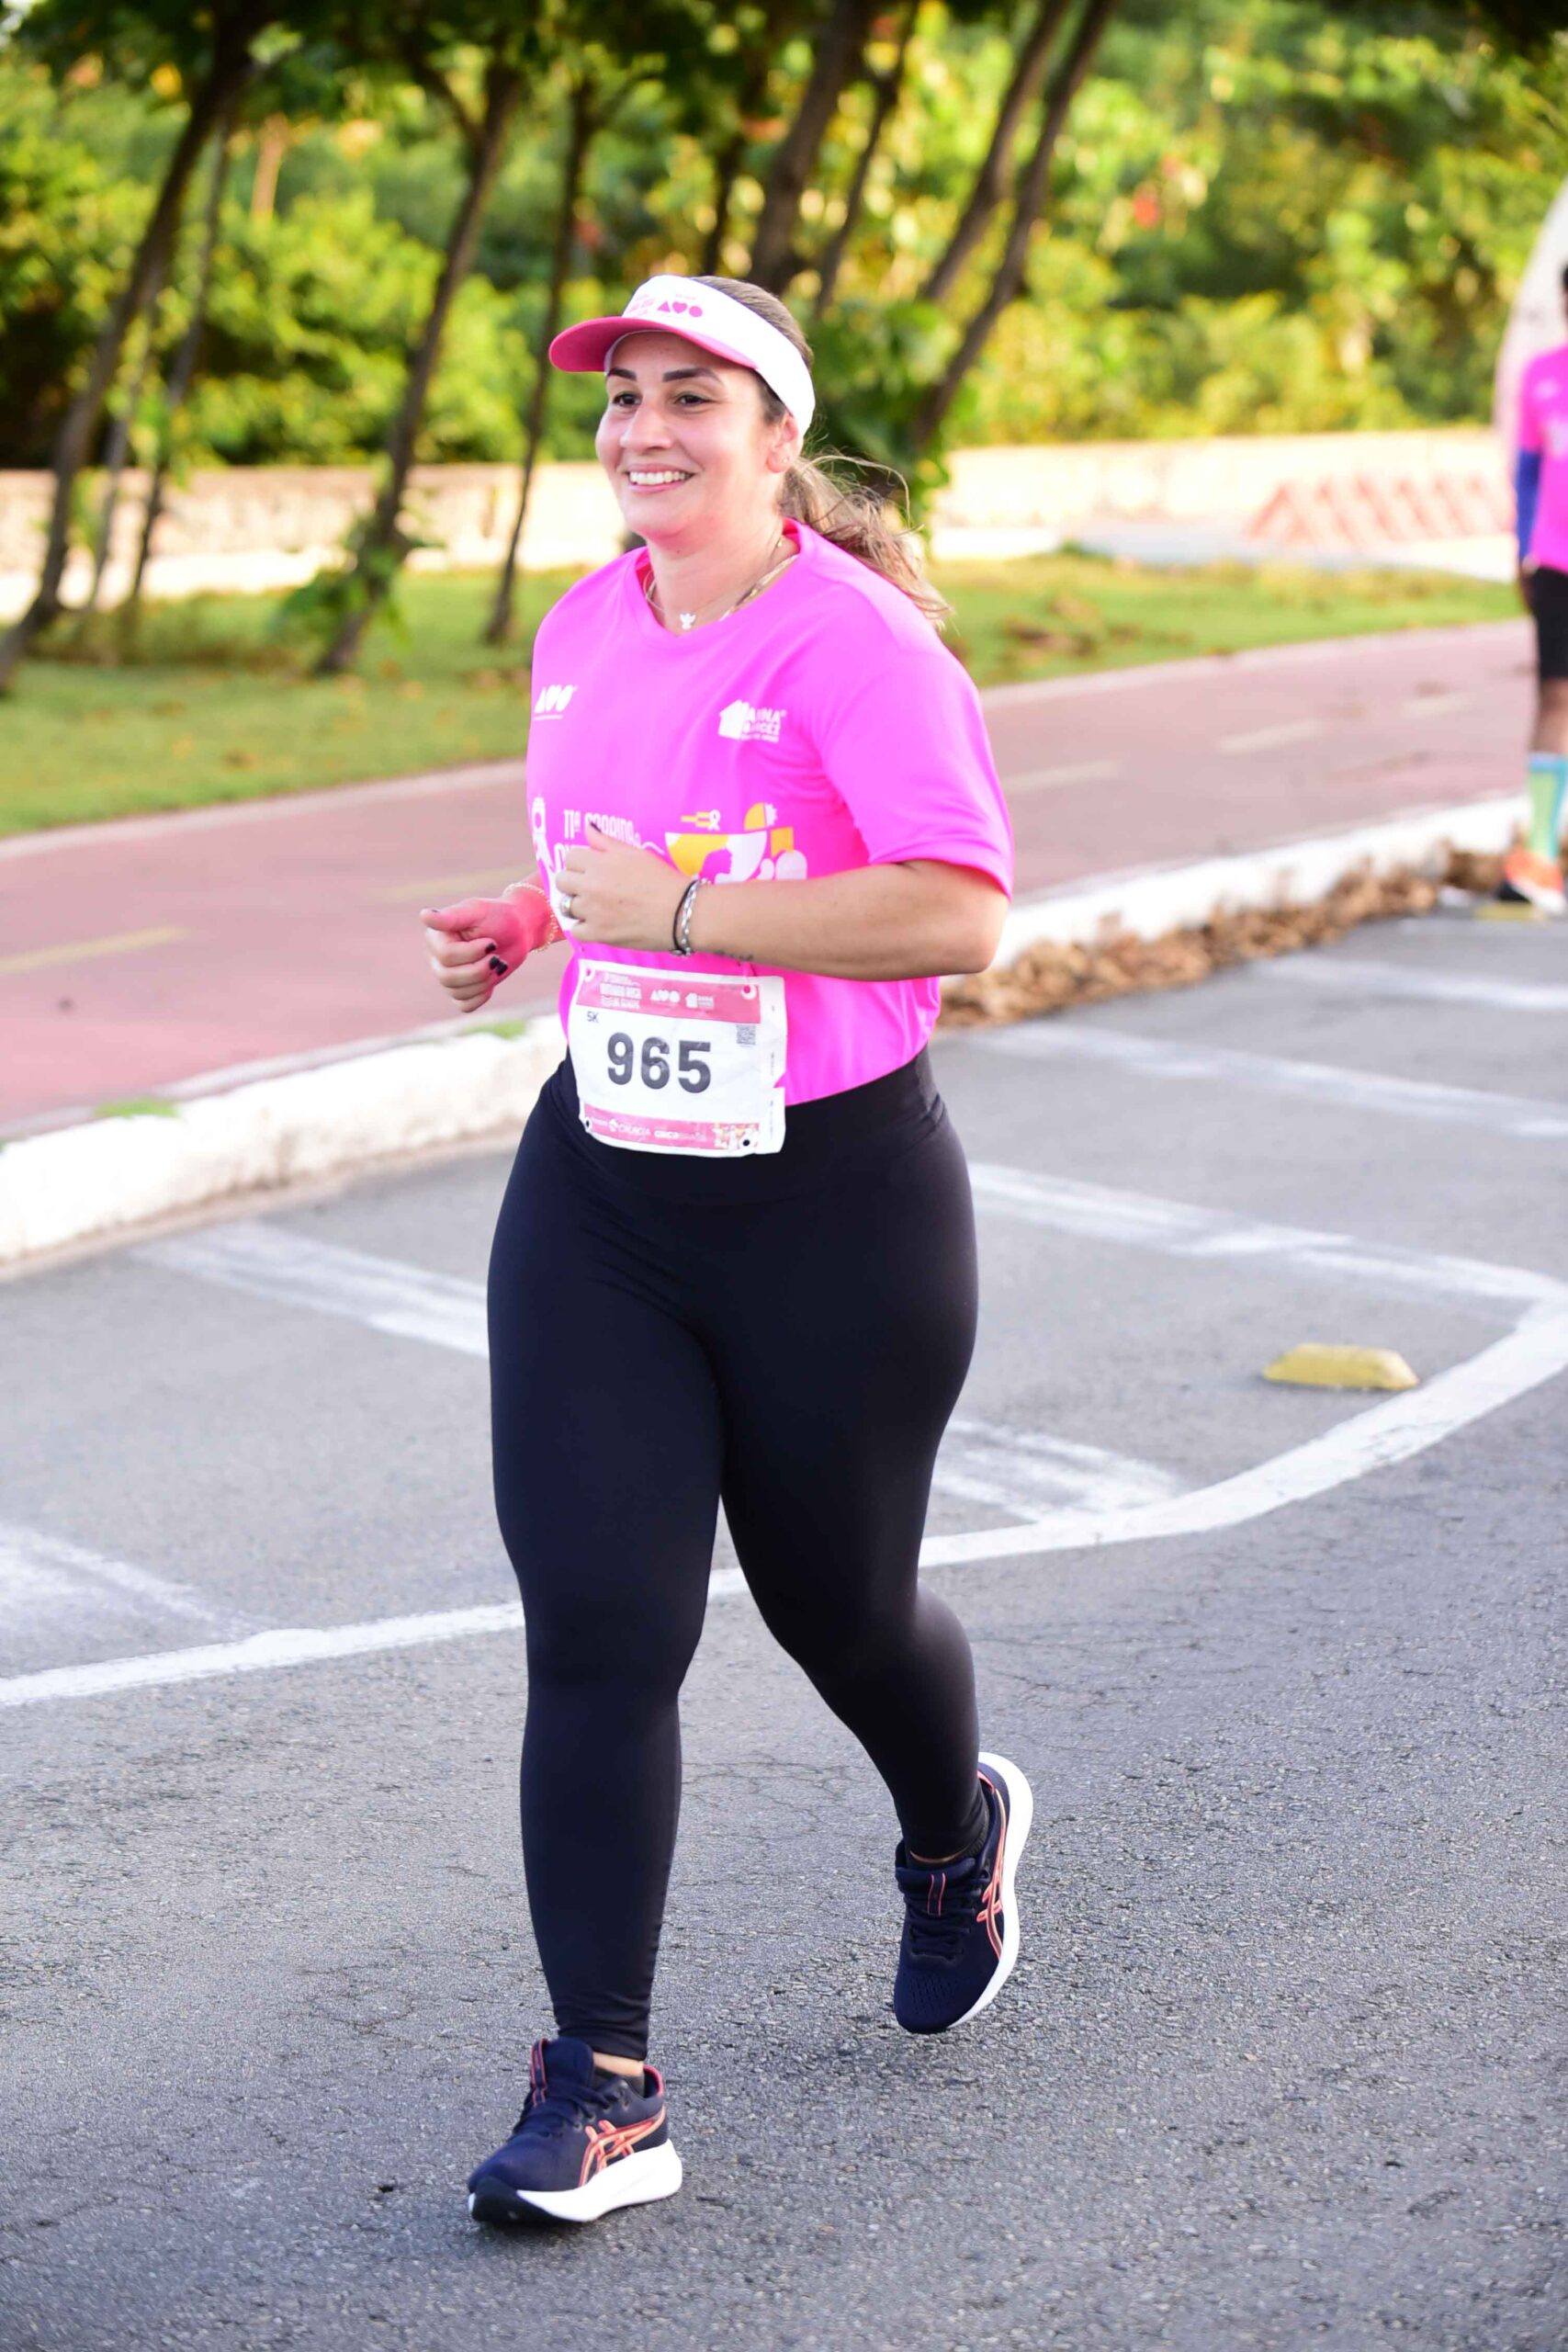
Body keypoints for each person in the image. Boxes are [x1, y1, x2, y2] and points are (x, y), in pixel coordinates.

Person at [420, 274, 1030, 2229]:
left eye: (694, 396)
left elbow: (956, 911)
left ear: (778, 437)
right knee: (601, 1623)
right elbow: (634, 835)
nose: (643, 429)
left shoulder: (860, 643)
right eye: (623, 397)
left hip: (832, 1203)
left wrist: (675, 910)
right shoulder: (584, 622)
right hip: (606, 1185)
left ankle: (952, 1832)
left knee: (839, 1609)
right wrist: (536, 917)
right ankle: (601, 2084)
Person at [1498, 262, 1568, 915]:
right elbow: (1526, 473)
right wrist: (1520, 547)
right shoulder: (1541, 377)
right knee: (1555, 696)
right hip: (1554, 562)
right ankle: (1541, 851)